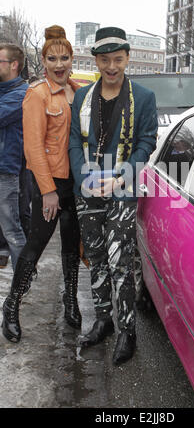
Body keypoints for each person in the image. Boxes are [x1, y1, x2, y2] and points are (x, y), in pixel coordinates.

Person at [69, 26, 158, 365]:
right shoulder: (82, 97)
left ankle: (128, 330)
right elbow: (75, 141)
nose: (111, 66)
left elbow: (146, 144)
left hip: (123, 186)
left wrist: (120, 177)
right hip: (89, 186)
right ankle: (104, 320)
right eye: (105, 60)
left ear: (127, 58)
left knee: (121, 260)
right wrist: (83, 177)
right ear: (96, 60)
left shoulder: (144, 97)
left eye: (117, 59)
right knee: (95, 256)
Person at [2, 25, 81, 343]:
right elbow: (32, 148)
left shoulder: (80, 92)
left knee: (72, 247)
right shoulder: (37, 95)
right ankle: (11, 305)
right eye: (52, 58)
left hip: (77, 184)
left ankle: (71, 301)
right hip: (50, 184)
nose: (59, 64)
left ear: (72, 59)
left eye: (64, 57)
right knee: (34, 246)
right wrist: (47, 190)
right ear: (44, 61)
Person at [0, 43, 28, 271]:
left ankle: (23, 277)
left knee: (11, 229)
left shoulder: (21, 94)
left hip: (5, 172)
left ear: (13, 65)